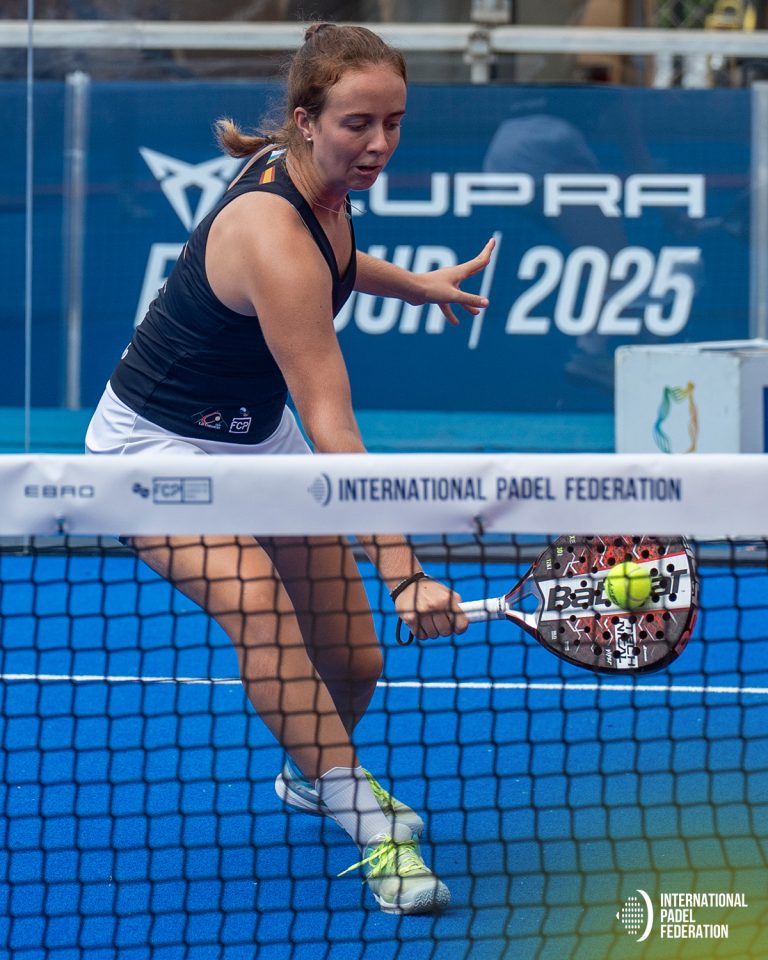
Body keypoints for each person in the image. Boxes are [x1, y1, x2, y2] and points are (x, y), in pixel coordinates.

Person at [85, 22, 494, 915]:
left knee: (355, 661)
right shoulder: (270, 228)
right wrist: (404, 572)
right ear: (306, 121)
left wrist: (419, 284)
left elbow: (332, 263)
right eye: (358, 124)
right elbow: (334, 427)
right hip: (153, 451)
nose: (379, 143)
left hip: (254, 442)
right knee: (257, 603)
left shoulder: (321, 187)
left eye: (393, 122)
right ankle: (371, 829)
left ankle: (313, 774)